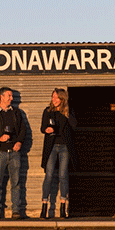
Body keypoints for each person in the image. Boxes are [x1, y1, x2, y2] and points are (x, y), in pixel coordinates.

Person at [0, 87, 26, 219]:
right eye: (9, 96)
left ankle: (16, 211)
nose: (12, 98)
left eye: (12, 96)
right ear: (1, 97)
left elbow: (23, 130)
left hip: (14, 153)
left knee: (16, 183)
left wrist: (19, 142)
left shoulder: (17, 113)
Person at [40, 88, 77, 219]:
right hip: (51, 146)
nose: (54, 100)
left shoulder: (68, 111)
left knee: (63, 175)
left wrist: (67, 114)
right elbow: (42, 128)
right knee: (49, 175)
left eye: (57, 98)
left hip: (64, 147)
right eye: (53, 97)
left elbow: (74, 126)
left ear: (63, 99)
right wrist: (47, 129)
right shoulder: (48, 111)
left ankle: (62, 208)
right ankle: (44, 206)